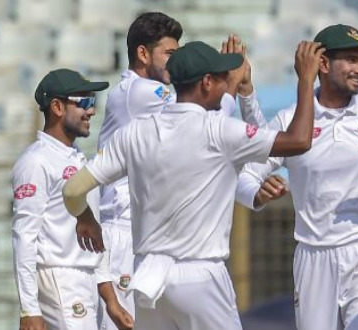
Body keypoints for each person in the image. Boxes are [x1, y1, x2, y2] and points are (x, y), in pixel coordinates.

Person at [61, 40, 323, 330]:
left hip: (150, 278)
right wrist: (306, 79)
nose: (227, 83)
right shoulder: (220, 130)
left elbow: (73, 189)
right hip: (201, 278)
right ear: (207, 82)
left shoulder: (137, 132)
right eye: (222, 78)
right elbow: (299, 141)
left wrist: (84, 218)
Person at [235, 24, 358, 330]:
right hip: (314, 255)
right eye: (350, 59)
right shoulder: (291, 118)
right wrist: (257, 193)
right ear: (322, 64)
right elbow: (245, 174)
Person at [95, 12, 267, 330]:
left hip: (158, 237)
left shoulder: (170, 107)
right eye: (169, 54)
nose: (176, 64)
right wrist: (228, 84)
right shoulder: (139, 93)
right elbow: (205, 115)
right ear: (143, 53)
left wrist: (244, 91)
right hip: (124, 234)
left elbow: (209, 148)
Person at [11, 69, 133, 330]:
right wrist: (29, 309)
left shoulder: (77, 158)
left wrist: (110, 299)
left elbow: (95, 238)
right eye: (85, 102)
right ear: (57, 106)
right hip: (60, 279)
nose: (92, 111)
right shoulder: (36, 161)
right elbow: (24, 237)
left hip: (85, 281)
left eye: (94, 103)